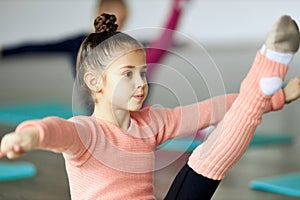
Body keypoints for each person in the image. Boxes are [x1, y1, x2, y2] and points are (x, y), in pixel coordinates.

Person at [1, 13, 300, 200]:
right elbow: (55, 130)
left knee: (206, 161)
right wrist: (29, 136)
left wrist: (274, 100)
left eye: (143, 73)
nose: (141, 82)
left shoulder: (150, 123)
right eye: (128, 74)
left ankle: (259, 88)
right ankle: (259, 88)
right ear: (95, 81)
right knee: (204, 160)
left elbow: (209, 109)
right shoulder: (86, 132)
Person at [0, 0, 188, 78]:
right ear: (99, 15)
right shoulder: (77, 43)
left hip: (127, 98)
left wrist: (174, 43)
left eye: (122, 21)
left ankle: (177, 10)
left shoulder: (123, 43)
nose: (118, 26)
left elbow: (146, 42)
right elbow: (39, 48)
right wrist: (5, 52)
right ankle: (176, 9)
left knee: (146, 58)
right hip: (96, 102)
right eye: (115, 19)